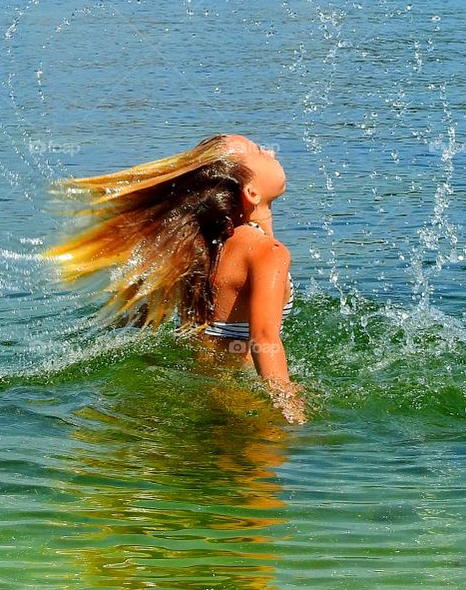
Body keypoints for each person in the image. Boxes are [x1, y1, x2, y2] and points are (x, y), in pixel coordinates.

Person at [43, 133, 306, 423]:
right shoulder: (269, 253)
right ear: (251, 193)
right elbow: (264, 339)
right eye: (258, 151)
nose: (269, 150)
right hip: (238, 402)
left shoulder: (203, 246)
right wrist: (289, 408)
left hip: (199, 388)